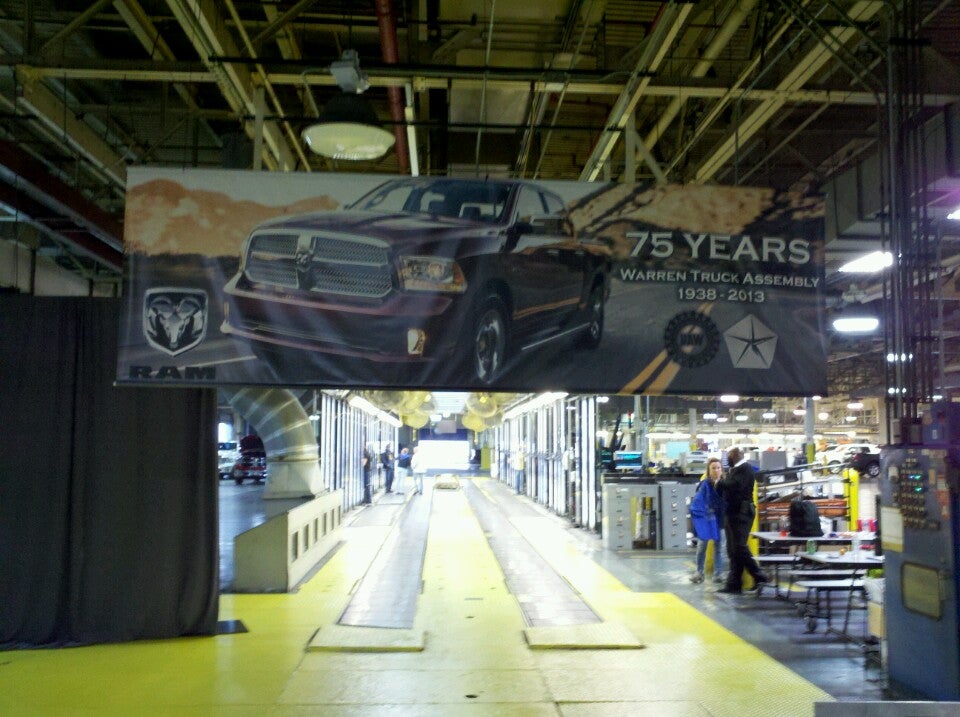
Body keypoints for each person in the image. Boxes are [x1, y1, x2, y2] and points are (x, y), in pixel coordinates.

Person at [716, 446, 768, 594]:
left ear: (737, 455)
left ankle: (759, 575)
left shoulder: (745, 469)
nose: (728, 459)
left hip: (742, 514)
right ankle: (734, 584)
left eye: (730, 456)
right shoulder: (734, 471)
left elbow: (734, 486)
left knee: (739, 547)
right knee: (733, 550)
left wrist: (719, 482)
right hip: (732, 513)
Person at [689, 457, 726, 584]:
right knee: (701, 547)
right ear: (709, 470)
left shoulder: (726, 485)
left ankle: (718, 574)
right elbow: (697, 503)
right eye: (713, 468)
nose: (716, 470)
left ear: (722, 470)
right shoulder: (703, 484)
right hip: (705, 521)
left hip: (720, 521)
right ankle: (699, 572)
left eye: (718, 468)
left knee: (719, 548)